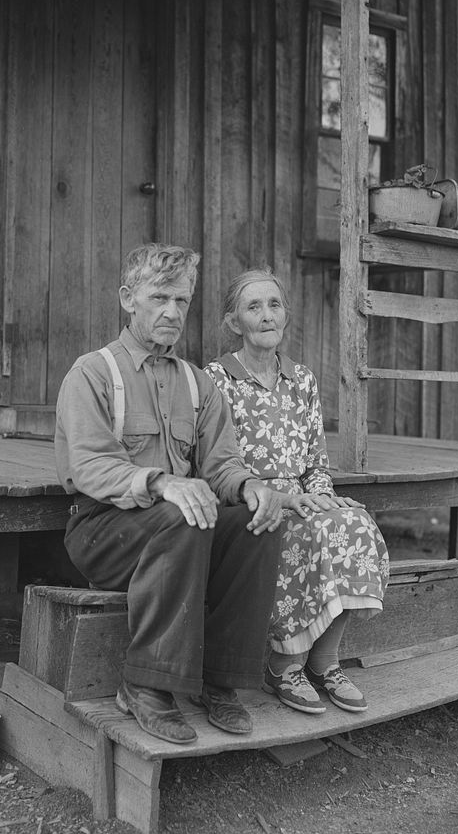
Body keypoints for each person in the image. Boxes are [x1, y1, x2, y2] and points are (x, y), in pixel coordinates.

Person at [54, 244, 286, 746]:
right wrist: (162, 482)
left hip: (175, 532)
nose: (172, 312)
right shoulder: (93, 374)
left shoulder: (197, 383)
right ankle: (145, 683)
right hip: (103, 530)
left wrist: (251, 487)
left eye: (181, 301)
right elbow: (89, 465)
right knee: (184, 514)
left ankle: (217, 677)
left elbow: (222, 463)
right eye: (159, 297)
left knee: (259, 522)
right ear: (127, 299)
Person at [204, 268, 389, 716]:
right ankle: (284, 665)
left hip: (302, 497)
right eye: (254, 307)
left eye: (274, 305)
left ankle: (325, 662)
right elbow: (216, 465)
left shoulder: (301, 379)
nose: (267, 316)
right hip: (252, 501)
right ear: (234, 323)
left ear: (285, 314)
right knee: (305, 534)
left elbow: (315, 462)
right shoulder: (217, 378)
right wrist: (286, 500)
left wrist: (322, 497)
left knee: (355, 524)